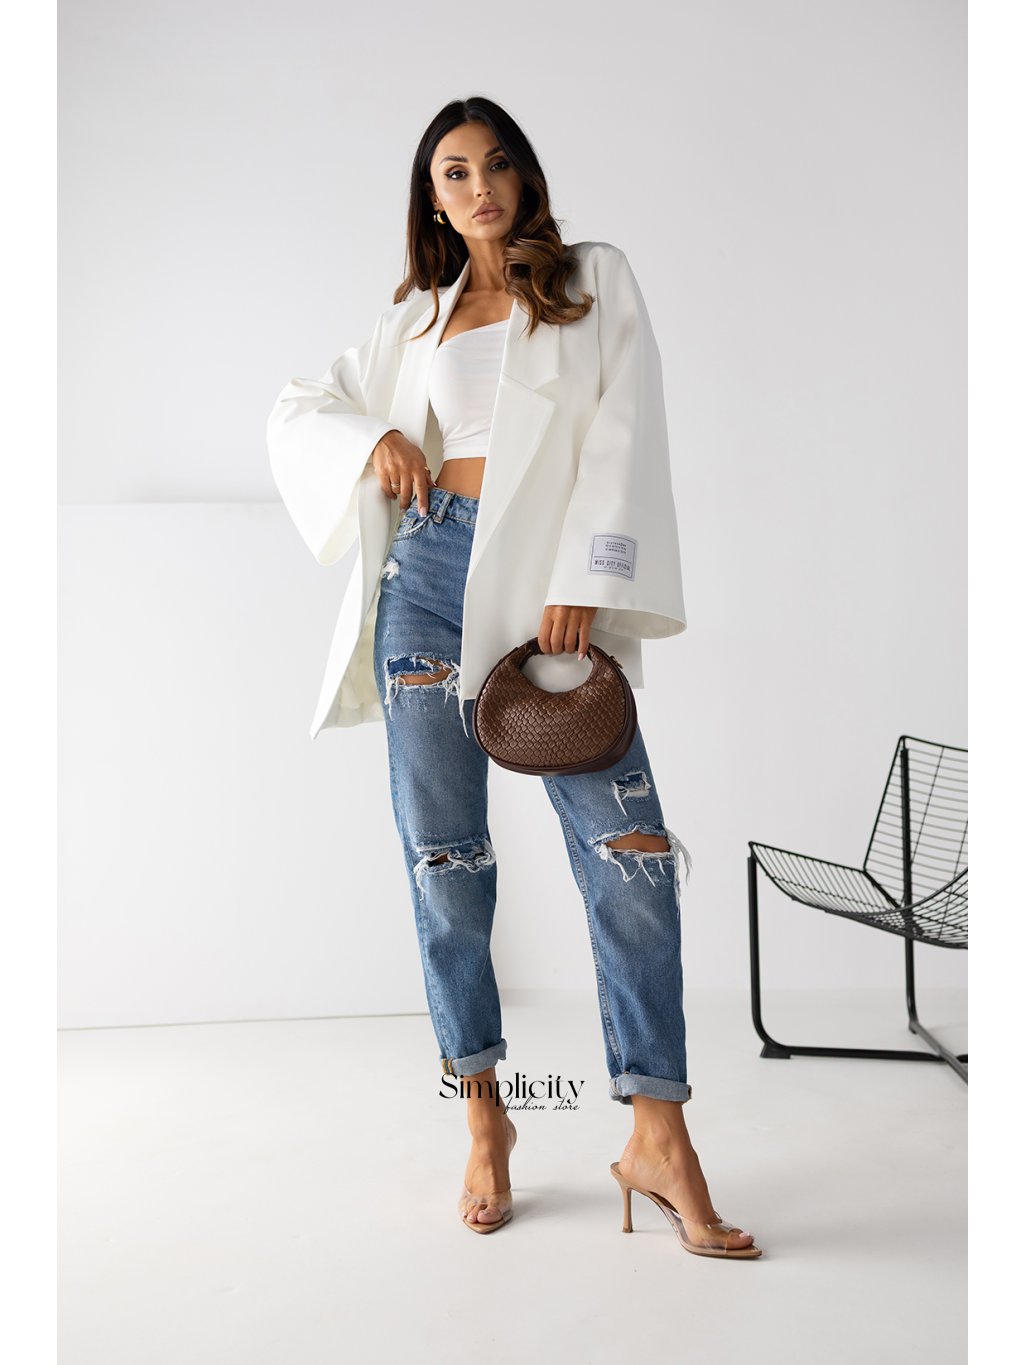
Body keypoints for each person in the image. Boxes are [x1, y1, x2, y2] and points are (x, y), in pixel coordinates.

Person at [267, 96, 761, 1258]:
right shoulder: (418, 320)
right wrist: (376, 439)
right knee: (445, 864)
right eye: (453, 172)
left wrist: (588, 570)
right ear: (432, 199)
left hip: (547, 585)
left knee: (631, 858)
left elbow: (625, 427)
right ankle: (483, 1118)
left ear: (525, 176)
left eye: (495, 164)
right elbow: (299, 407)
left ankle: (659, 1136)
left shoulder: (593, 280)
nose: (478, 186)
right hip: (429, 581)